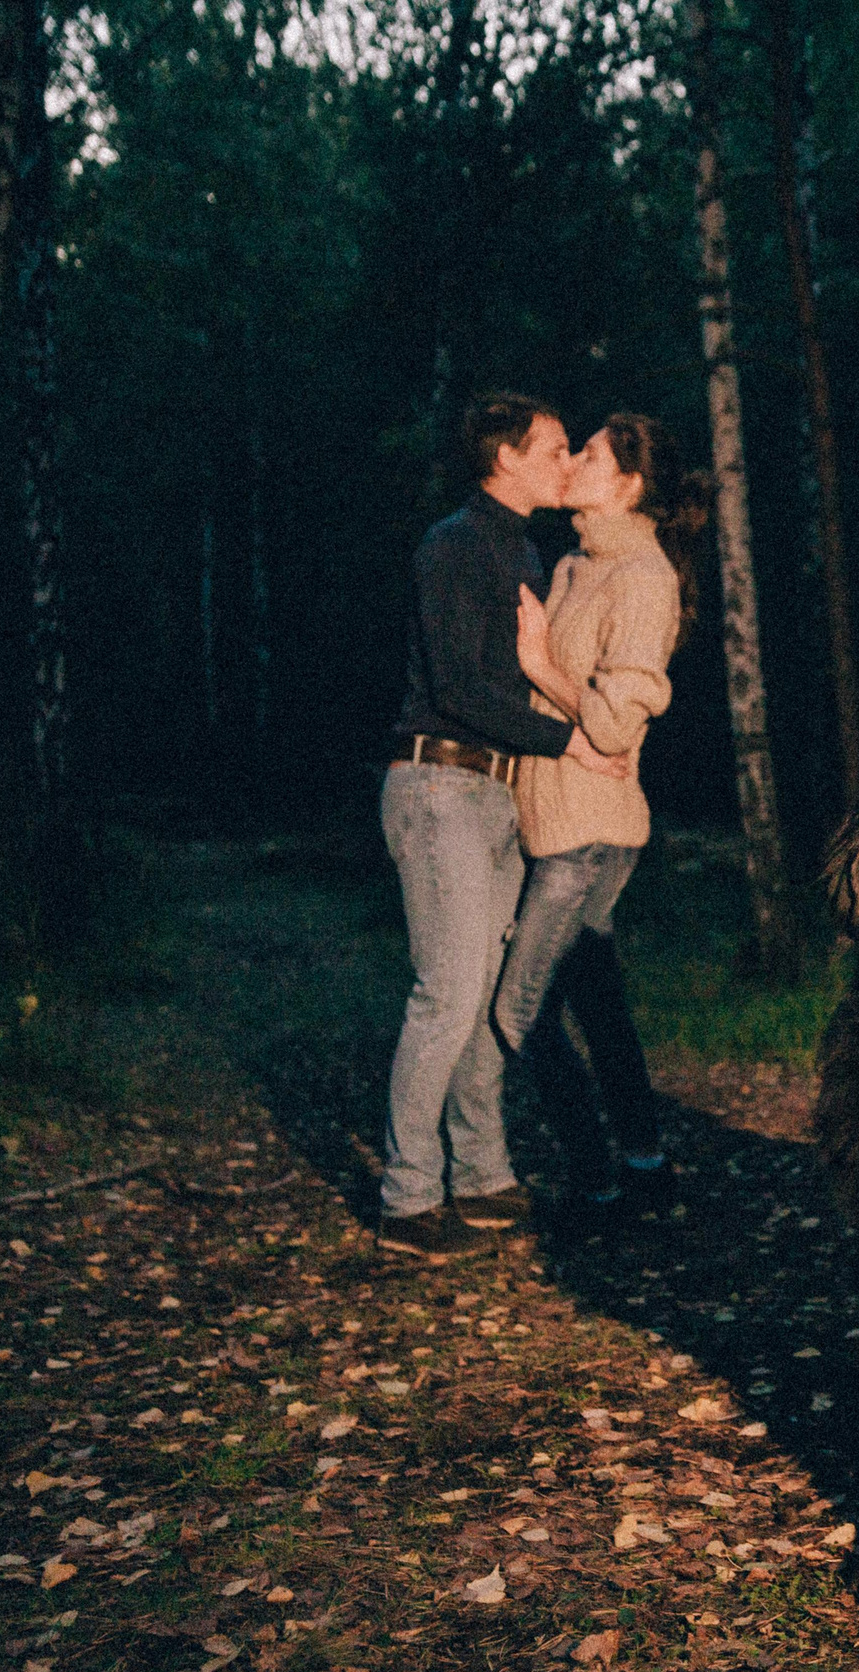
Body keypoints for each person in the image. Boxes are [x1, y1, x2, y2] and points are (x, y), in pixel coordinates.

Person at [380, 392, 622, 1260]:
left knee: (482, 996)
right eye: (556, 448)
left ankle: (481, 1176)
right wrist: (573, 744)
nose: (566, 463)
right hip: (436, 780)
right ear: (507, 458)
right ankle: (409, 1195)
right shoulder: (452, 544)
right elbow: (461, 689)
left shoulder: (524, 548)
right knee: (446, 991)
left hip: (492, 792)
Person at [483, 413, 704, 1208]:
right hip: (559, 822)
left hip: (589, 831)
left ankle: (588, 1176)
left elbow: (615, 722)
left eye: (589, 454)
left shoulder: (644, 578)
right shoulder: (577, 562)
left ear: (628, 484)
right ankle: (644, 1167)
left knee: (518, 1008)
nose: (572, 461)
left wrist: (539, 663)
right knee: (597, 1002)